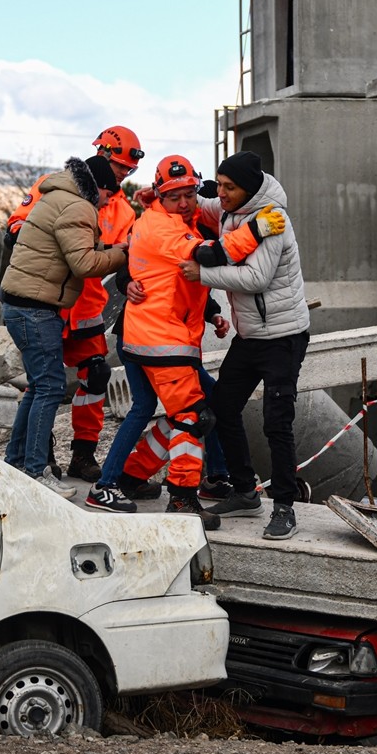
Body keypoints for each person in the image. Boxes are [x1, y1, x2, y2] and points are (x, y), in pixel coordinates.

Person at [179, 150, 310, 539]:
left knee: (276, 422)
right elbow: (200, 204)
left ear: (248, 188)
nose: (220, 193)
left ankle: (284, 506)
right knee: (223, 407)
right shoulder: (229, 209)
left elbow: (255, 278)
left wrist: (202, 274)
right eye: (218, 185)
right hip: (251, 337)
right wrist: (174, 190)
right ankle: (244, 491)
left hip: (283, 337)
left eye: (228, 187)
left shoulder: (272, 220)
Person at [5, 126, 144, 483]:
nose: (122, 176)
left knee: (94, 375)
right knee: (43, 382)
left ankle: (82, 452)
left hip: (84, 302)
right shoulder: (54, 188)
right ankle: (38, 458)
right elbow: (16, 228)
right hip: (44, 298)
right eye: (118, 168)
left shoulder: (123, 210)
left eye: (128, 172)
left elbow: (126, 257)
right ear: (101, 154)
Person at [115, 155, 226, 529]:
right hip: (162, 340)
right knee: (194, 418)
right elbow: (204, 255)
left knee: (185, 415)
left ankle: (130, 476)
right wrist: (256, 232)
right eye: (175, 195)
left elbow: (177, 279)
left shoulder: (177, 220)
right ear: (161, 196)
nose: (183, 201)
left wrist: (210, 313)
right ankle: (181, 498)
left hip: (161, 338)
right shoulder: (165, 228)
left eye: (189, 194)